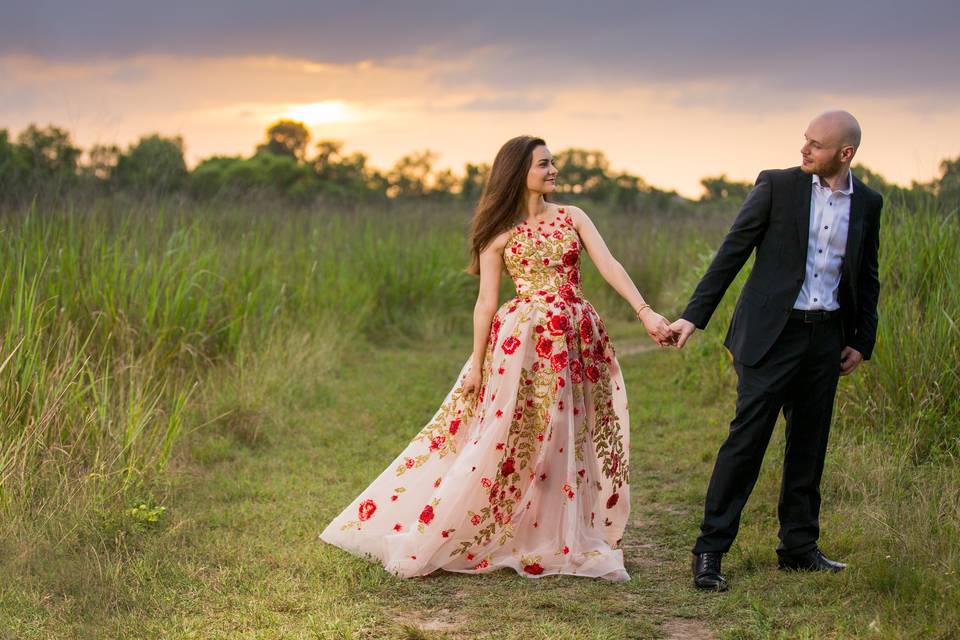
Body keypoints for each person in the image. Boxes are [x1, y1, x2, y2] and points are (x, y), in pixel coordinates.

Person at [320, 135, 675, 581]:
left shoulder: (573, 217)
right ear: (518, 172)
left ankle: (563, 532)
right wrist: (477, 364)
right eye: (544, 164)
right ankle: (501, 529)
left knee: (568, 429)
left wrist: (645, 312)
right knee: (512, 434)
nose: (553, 171)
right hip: (523, 342)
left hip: (576, 335)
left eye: (553, 163)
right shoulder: (498, 233)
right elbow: (486, 303)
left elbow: (610, 265)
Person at [669, 111, 883, 591]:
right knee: (746, 442)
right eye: (805, 140)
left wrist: (860, 342)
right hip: (771, 337)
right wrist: (692, 316)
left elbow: (867, 276)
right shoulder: (777, 186)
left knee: (809, 446)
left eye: (816, 144)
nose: (804, 149)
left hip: (826, 339)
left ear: (844, 154)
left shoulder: (869, 202)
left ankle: (799, 549)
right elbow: (732, 252)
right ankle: (710, 552)